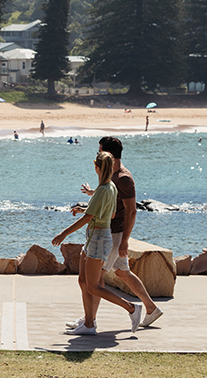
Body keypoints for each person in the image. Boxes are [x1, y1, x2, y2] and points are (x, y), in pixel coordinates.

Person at [70, 137, 162, 331]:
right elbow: (109, 196)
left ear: (109, 155)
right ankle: (151, 308)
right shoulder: (111, 176)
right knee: (122, 272)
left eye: (99, 151)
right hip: (107, 232)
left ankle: (90, 321)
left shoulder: (124, 178)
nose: (97, 155)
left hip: (112, 235)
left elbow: (131, 210)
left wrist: (125, 241)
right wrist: (91, 196)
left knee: (95, 280)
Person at [52, 151, 143, 335]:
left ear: (97, 168)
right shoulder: (110, 188)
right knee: (83, 281)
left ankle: (132, 308)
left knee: (94, 286)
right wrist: (87, 209)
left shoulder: (103, 190)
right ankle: (88, 323)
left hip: (99, 239)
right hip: (96, 236)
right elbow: (111, 214)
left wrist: (63, 234)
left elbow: (89, 218)